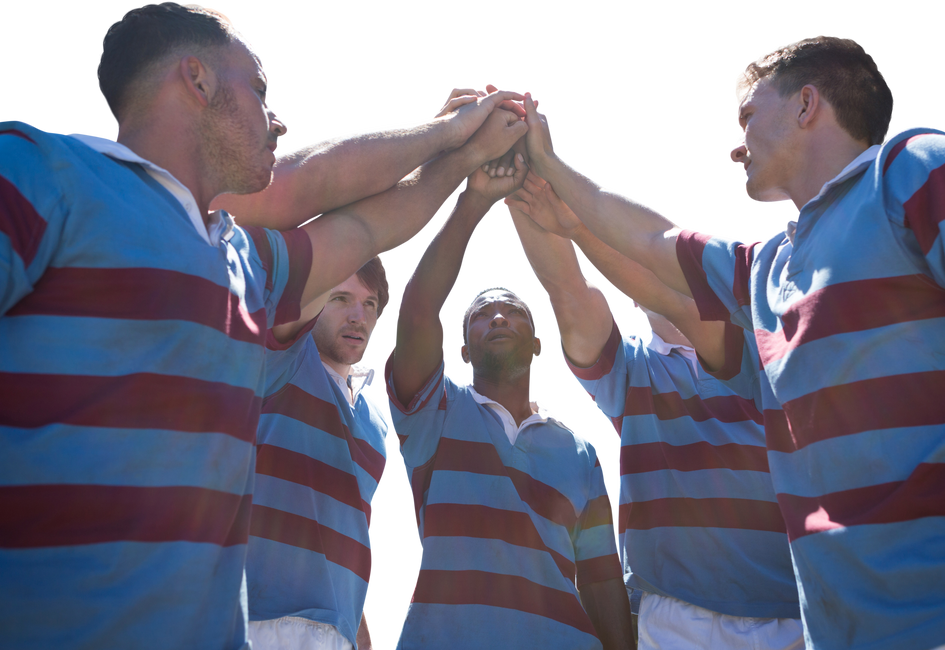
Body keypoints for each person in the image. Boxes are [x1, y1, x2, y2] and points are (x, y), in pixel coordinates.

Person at [512, 34, 945, 650]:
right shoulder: (770, 269)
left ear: (807, 104)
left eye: (746, 117)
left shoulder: (913, 167)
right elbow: (658, 246)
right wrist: (551, 171)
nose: (734, 148)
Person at [0, 2, 527, 647]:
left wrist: (462, 145)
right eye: (262, 91)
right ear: (197, 80)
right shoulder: (36, 171)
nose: (278, 121)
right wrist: (447, 133)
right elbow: (313, 183)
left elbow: (369, 222)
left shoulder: (249, 265)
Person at [504, 174, 804, 649]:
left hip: (791, 615)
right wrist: (517, 181)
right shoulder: (630, 369)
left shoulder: (764, 348)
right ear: (632, 289)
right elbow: (567, 289)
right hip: (670, 617)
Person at [381, 144, 634, 649]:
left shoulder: (581, 453)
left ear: (540, 345)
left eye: (514, 311)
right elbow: (419, 309)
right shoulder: (434, 413)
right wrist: (473, 202)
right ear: (462, 351)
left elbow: (603, 580)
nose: (498, 317)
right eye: (480, 315)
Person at [246, 257, 395, 650]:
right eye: (340, 298)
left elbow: (347, 538)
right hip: (259, 618)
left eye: (369, 304)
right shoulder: (283, 360)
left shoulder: (376, 422)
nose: (357, 315)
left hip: (335, 631)